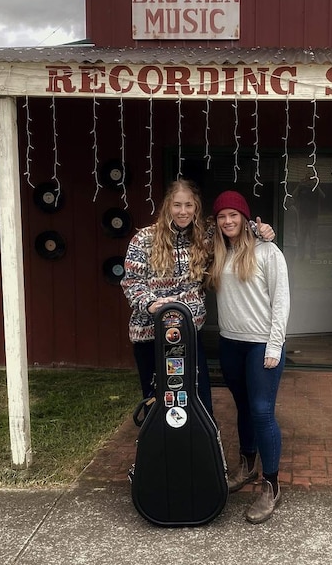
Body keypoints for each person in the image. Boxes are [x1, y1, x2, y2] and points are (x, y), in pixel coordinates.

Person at [121, 178, 273, 418]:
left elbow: (232, 226)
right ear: (168, 206)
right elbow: (132, 282)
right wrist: (151, 305)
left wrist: (260, 230)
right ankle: (159, 451)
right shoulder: (144, 239)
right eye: (177, 205)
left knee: (199, 399)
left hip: (189, 335)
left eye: (189, 205)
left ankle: (203, 450)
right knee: (157, 401)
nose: (183, 212)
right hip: (151, 335)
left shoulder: (203, 238)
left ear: (196, 208)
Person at [207, 190, 290, 525]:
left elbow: (281, 301)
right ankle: (247, 465)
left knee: (261, 411)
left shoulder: (268, 251)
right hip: (231, 344)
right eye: (222, 216)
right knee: (243, 407)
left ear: (245, 218)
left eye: (234, 215)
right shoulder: (217, 253)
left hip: (261, 345)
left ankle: (271, 485)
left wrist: (274, 345)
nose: (228, 221)